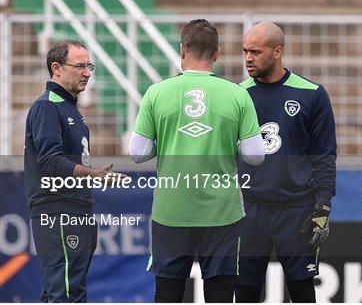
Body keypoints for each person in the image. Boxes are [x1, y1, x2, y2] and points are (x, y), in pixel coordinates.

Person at [128, 19, 265, 302]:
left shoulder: (157, 92)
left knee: (168, 291)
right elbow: (255, 156)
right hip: (222, 211)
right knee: (220, 292)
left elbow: (137, 153)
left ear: (182, 50)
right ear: (217, 53)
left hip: (171, 210)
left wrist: (167, 139)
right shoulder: (238, 94)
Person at [235, 21, 337, 302]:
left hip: (298, 212)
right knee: (245, 292)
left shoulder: (312, 94)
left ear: (277, 51)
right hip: (248, 210)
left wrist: (323, 207)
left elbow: (325, 156)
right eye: (245, 51)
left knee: (303, 291)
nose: (247, 58)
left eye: (255, 52)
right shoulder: (237, 95)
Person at [25, 40, 123, 302]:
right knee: (66, 292)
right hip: (58, 211)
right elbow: (49, 161)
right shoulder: (47, 106)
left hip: (77, 209)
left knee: (67, 290)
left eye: (89, 66)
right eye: (80, 66)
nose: (87, 72)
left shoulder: (72, 109)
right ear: (56, 68)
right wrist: (93, 174)